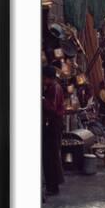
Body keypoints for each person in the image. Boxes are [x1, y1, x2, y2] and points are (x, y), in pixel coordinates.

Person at [42, 66, 65, 195]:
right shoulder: (52, 87)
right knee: (51, 155)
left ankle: (53, 186)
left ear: (47, 77)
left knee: (52, 155)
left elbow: (52, 107)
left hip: (54, 123)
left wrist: (42, 99)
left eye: (44, 78)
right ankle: (52, 184)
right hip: (52, 123)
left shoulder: (54, 88)